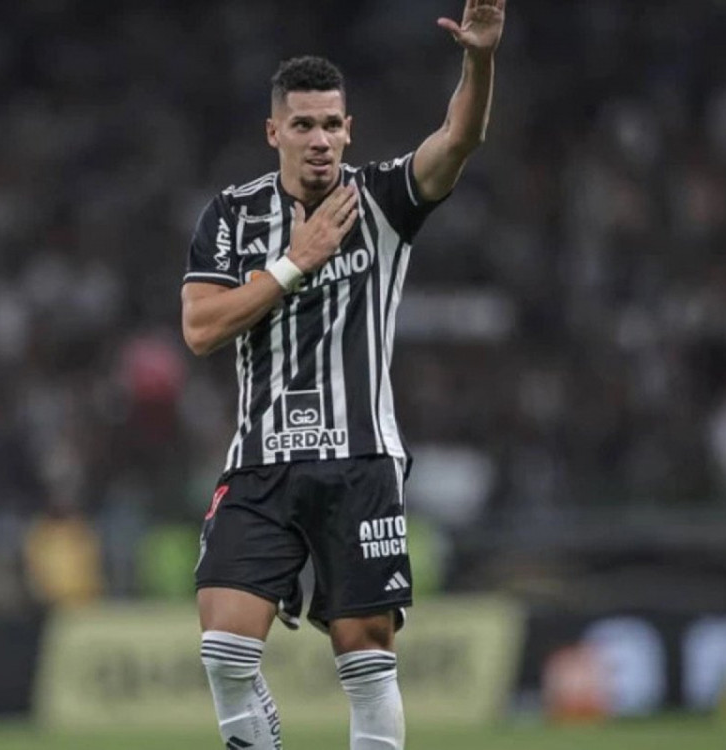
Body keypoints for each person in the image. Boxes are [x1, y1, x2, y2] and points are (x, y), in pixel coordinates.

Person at [179, 2, 505, 747]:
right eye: (303, 124)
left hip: (360, 462)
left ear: (349, 129)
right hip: (260, 463)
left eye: (332, 124)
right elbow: (200, 329)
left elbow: (459, 138)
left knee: (366, 659)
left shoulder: (384, 201)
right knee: (224, 651)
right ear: (274, 132)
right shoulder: (230, 216)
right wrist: (295, 263)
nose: (320, 139)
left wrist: (480, 58)